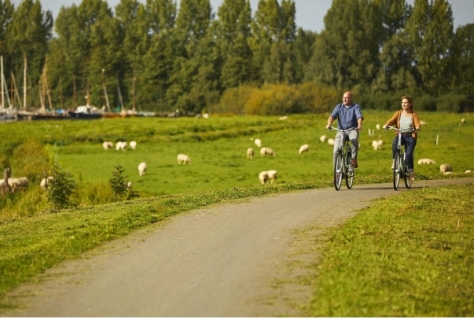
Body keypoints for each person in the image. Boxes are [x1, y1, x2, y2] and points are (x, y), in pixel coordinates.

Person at [383, 95, 421, 174]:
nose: (404, 104)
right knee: (394, 144)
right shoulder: (398, 113)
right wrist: (386, 124)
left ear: (410, 104)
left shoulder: (414, 114)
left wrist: (417, 127)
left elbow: (417, 123)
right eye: (402, 102)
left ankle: (410, 169)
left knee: (408, 154)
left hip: (411, 136)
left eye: (406, 103)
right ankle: (395, 162)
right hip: (400, 134)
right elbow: (392, 120)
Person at [325, 91, 363, 168]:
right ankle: (337, 174)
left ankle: (353, 159)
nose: (344, 99)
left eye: (346, 98)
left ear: (351, 99)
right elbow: (332, 116)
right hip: (341, 131)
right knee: (336, 151)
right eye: (343, 98)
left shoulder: (355, 107)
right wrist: (329, 124)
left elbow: (359, 116)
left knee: (354, 139)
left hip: (352, 130)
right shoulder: (339, 107)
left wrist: (359, 125)